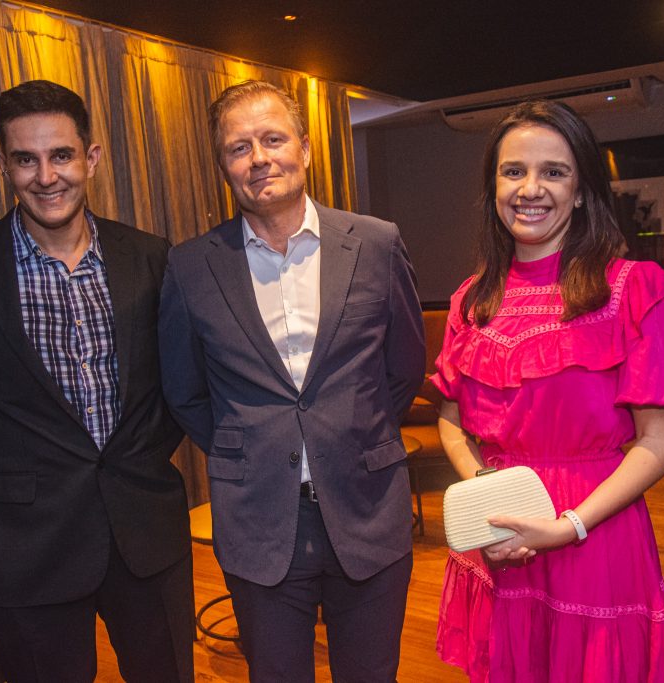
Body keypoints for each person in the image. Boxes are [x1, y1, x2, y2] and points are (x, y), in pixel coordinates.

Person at [0, 80, 194, 682]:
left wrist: (133, 464)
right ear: (2, 164)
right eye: (25, 159)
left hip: (145, 533)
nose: (46, 176)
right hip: (26, 547)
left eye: (61, 155)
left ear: (90, 157)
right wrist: (6, 491)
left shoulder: (151, 256)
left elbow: (175, 383)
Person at [159, 80, 425, 682]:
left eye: (273, 139)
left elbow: (404, 367)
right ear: (223, 165)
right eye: (239, 147)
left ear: (304, 149)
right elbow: (186, 392)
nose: (259, 158)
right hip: (258, 522)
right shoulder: (191, 265)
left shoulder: (376, 243)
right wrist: (252, 450)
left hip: (368, 509)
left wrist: (352, 436)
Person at [432, 100, 664, 681]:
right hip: (502, 535)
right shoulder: (471, 299)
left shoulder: (632, 288)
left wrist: (568, 525)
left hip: (593, 536)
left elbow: (663, 437)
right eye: (513, 171)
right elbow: (452, 416)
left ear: (581, 191)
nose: (531, 188)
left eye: (554, 171)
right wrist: (488, 494)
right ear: (494, 187)